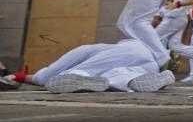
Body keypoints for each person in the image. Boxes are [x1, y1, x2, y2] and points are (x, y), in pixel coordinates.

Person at [1, 39, 174, 93]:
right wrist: (16, 76)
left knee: (54, 77)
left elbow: (41, 78)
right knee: (115, 75)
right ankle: (133, 81)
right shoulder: (105, 49)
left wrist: (16, 76)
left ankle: (81, 76)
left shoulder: (87, 51)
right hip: (146, 63)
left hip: (134, 50)